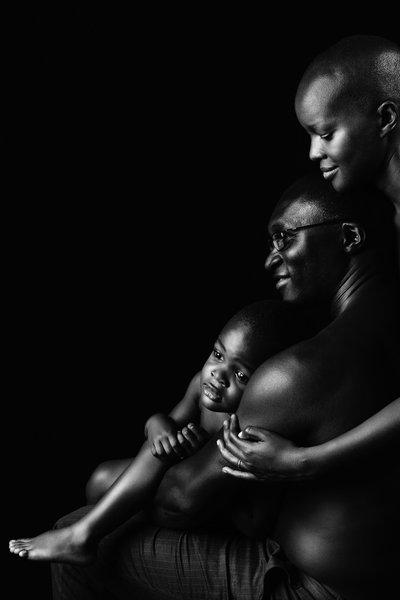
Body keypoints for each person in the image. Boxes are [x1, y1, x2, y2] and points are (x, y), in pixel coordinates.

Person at [50, 174, 399, 599]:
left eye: (284, 238)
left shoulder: (301, 370)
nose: (272, 259)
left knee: (76, 533)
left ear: (349, 236)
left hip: (312, 588)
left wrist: (116, 482)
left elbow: (177, 503)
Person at [220, 34, 400, 484]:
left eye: (325, 134)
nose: (313, 153)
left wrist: (308, 460)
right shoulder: (385, 208)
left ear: (386, 118)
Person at [9, 298, 310, 564]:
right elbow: (164, 424)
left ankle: (83, 536)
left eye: (241, 374)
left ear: (265, 386)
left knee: (152, 466)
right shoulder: (199, 386)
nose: (218, 375)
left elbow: (257, 523)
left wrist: (201, 462)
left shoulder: (255, 425)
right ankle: (93, 530)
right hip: (170, 485)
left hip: (213, 513)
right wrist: (157, 425)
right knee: (101, 476)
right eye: (218, 355)